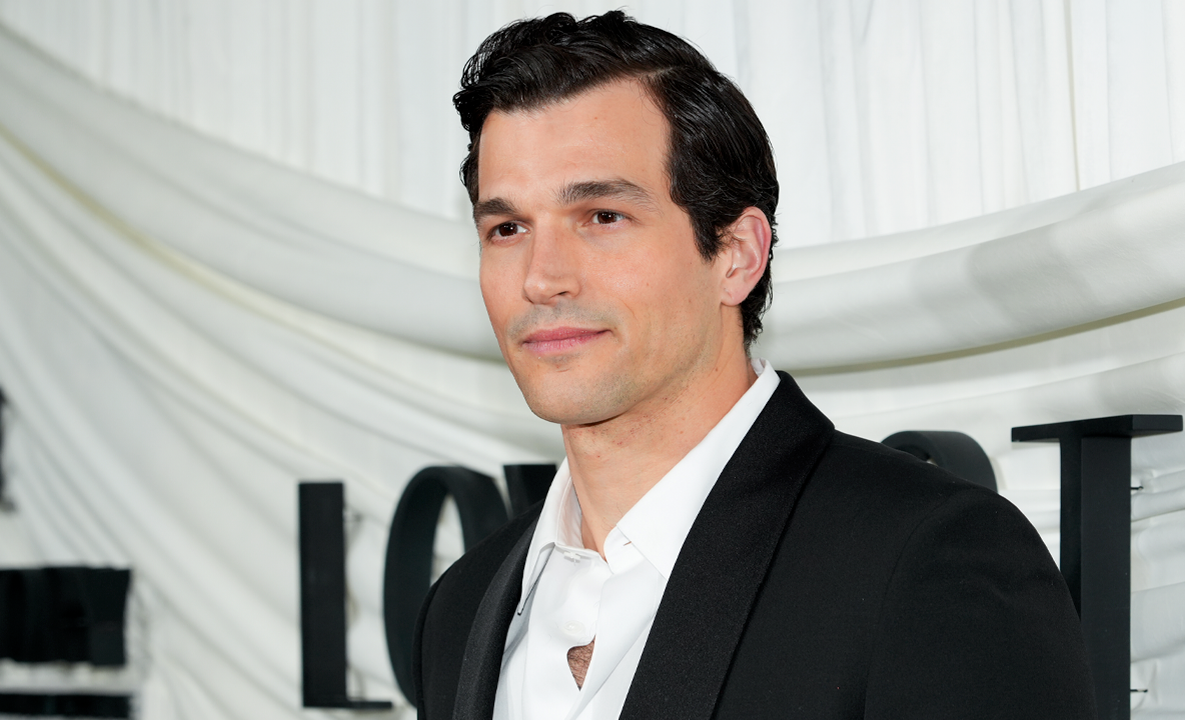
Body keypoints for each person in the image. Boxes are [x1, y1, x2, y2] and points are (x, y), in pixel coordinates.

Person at [414, 11, 1095, 720]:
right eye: (507, 228)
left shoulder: (929, 561)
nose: (541, 278)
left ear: (737, 255)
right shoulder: (460, 608)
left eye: (603, 216)